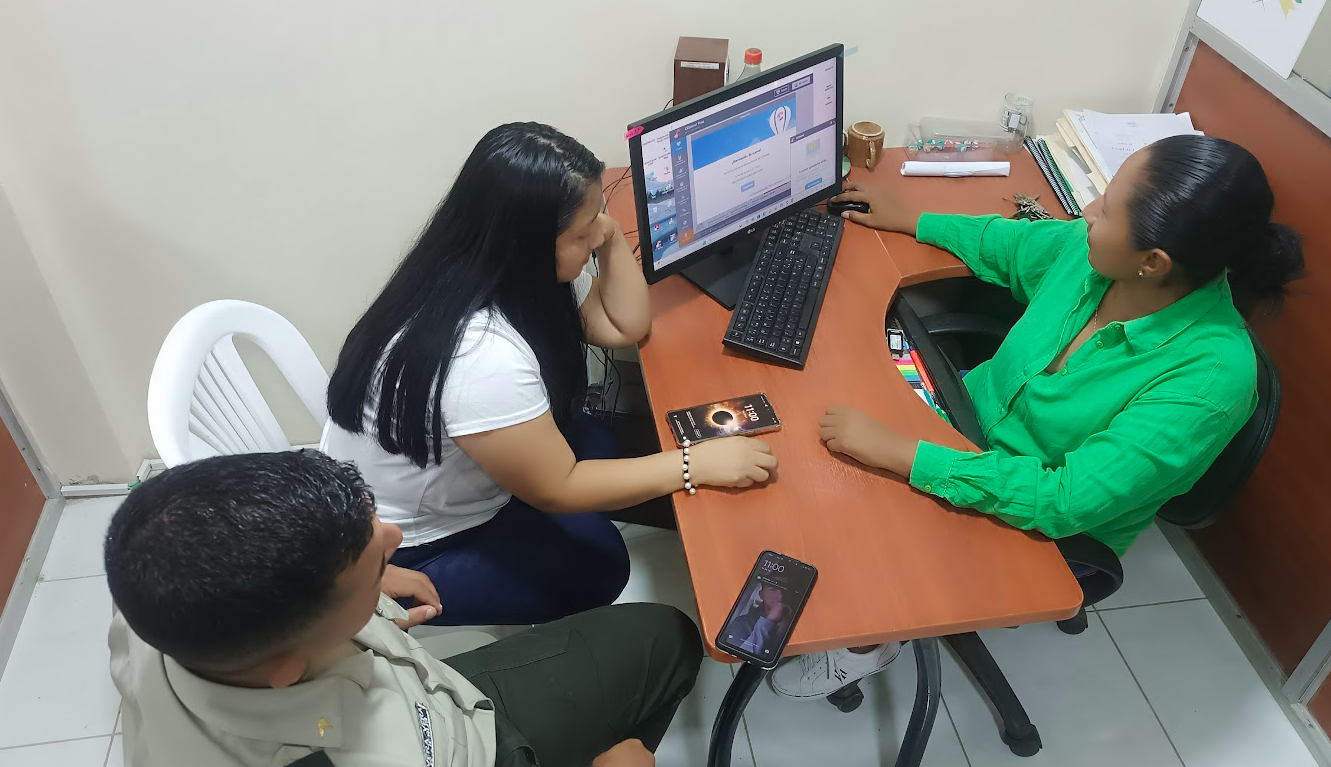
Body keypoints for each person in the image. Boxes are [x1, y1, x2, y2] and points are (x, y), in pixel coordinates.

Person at [771, 134, 1305, 699]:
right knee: (814, 425)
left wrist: (903, 455)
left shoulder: (1210, 380)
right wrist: (912, 219)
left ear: (1153, 262)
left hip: (1037, 518)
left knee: (857, 532)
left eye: (1107, 209)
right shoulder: (1097, 256)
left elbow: (1064, 502)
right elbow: (1009, 244)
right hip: (960, 419)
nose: (1088, 212)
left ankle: (869, 642)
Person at [322, 123, 776, 627]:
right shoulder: (480, 359)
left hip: (446, 471)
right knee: (601, 565)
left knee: (605, 442)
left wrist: (605, 239)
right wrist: (694, 465)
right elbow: (558, 486)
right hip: (406, 545)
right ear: (531, 242)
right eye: (583, 232)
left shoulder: (487, 267)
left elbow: (623, 325)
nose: (597, 232)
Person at [106, 450, 702, 767]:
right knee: (671, 642)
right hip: (476, 748)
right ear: (288, 667)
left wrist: (367, 570)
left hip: (430, 695)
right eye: (373, 566)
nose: (394, 538)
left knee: (656, 633)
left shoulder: (155, 579)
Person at [721, 582, 792, 660]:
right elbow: (737, 656)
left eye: (785, 590)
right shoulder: (742, 622)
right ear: (761, 594)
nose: (780, 596)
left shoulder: (793, 622)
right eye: (773, 589)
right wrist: (769, 621)